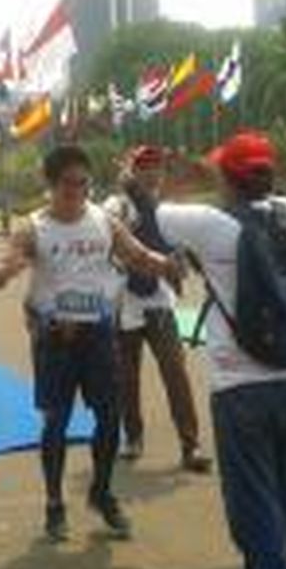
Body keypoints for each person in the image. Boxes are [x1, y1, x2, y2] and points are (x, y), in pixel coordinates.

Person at [155, 132, 286, 569]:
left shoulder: (208, 225)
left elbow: (159, 213)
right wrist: (223, 173)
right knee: (285, 495)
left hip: (241, 385)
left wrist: (178, 177)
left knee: (252, 501)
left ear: (225, 179)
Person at [0, 144, 183, 542]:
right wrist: (2, 271)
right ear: (50, 184)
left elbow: (137, 254)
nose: (77, 191)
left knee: (110, 417)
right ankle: (55, 503)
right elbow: (5, 264)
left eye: (84, 183)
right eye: (69, 184)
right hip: (55, 338)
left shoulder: (104, 221)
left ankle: (102, 491)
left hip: (98, 334)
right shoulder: (33, 228)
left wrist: (165, 264)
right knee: (56, 422)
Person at [102, 145, 212, 472]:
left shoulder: (169, 209)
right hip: (125, 301)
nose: (152, 171)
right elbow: (106, 238)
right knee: (126, 378)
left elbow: (185, 248)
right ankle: (133, 438)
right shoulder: (116, 205)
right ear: (133, 170)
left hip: (159, 302)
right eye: (144, 165)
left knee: (175, 374)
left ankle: (190, 445)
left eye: (156, 166)